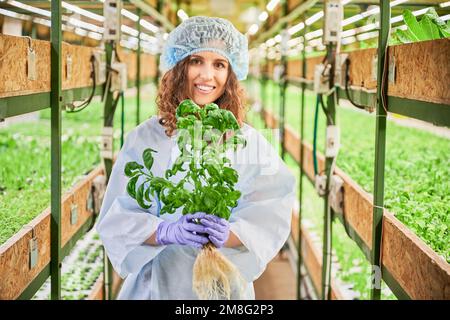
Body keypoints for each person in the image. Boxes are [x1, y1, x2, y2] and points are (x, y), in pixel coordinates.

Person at [96, 16, 296, 300]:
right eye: (196, 61)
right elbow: (117, 216)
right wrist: (165, 231)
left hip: (224, 286)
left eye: (219, 64)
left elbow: (272, 210)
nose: (206, 76)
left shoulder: (248, 140)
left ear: (231, 74)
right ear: (179, 66)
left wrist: (231, 234)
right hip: (157, 285)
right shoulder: (146, 138)